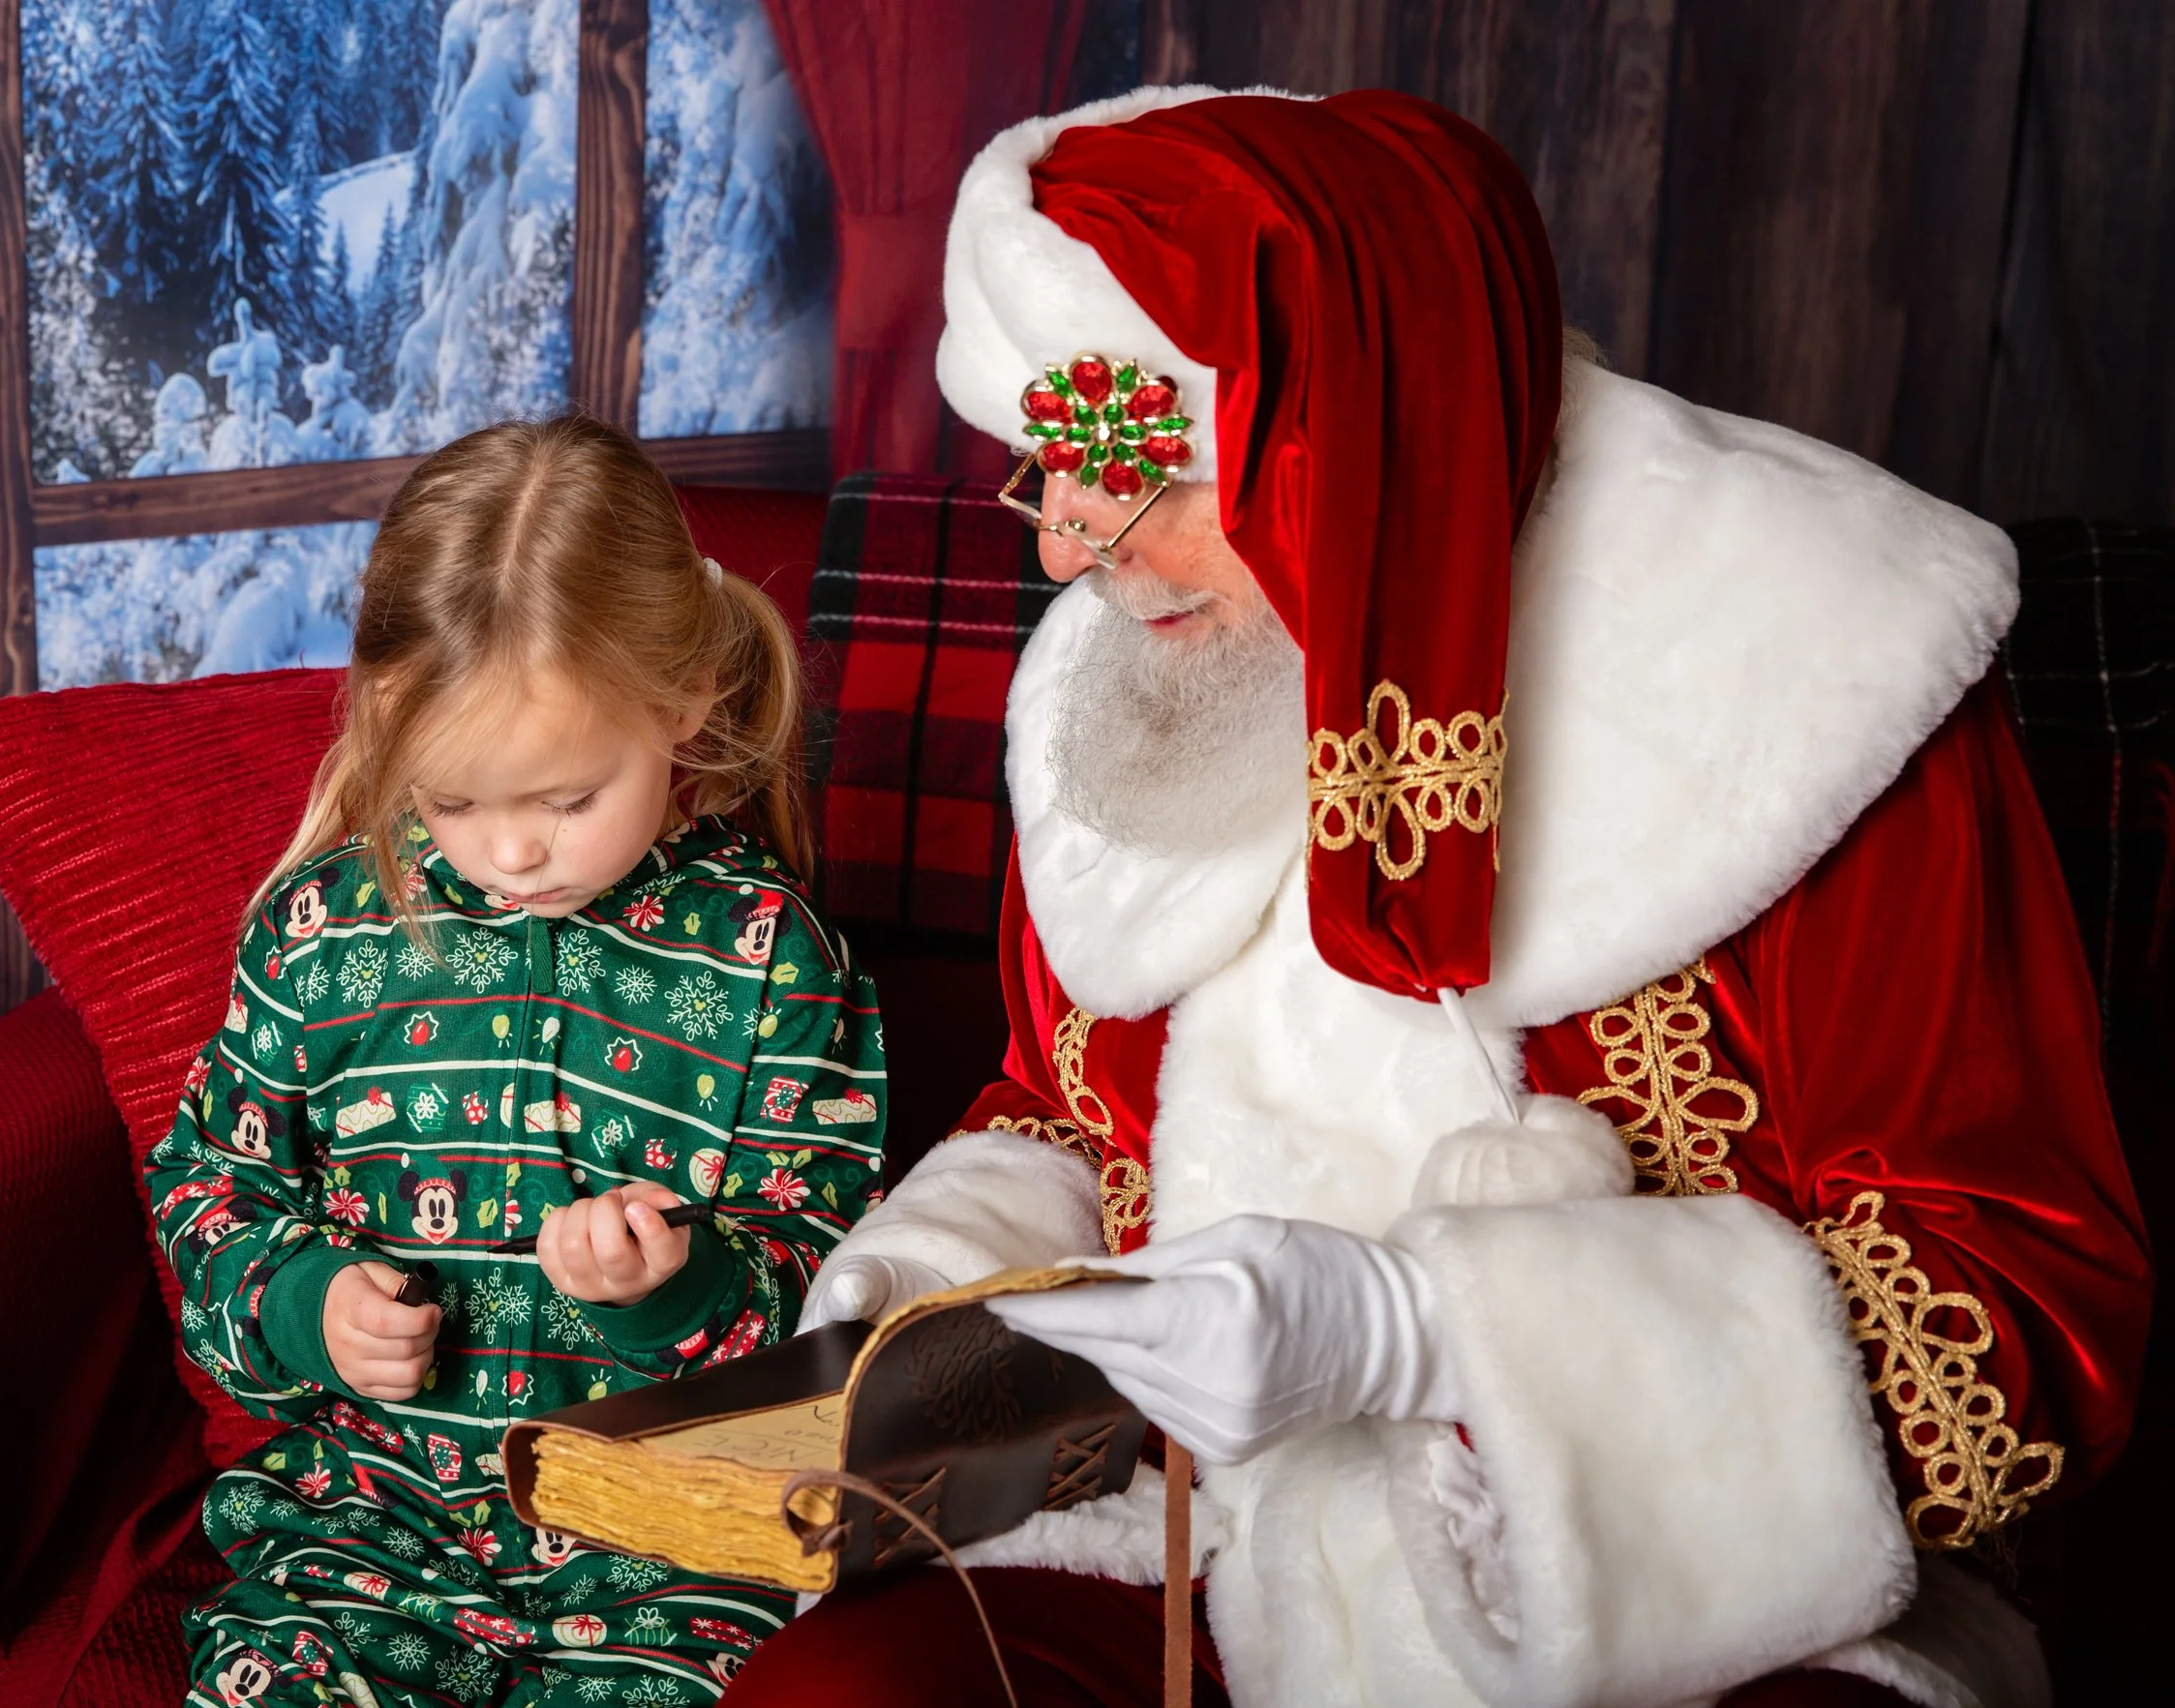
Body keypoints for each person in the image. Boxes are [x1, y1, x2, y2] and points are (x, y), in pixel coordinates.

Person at [722, 87, 2149, 1708]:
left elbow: (2027, 1308)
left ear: (1349, 444)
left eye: (1136, 473)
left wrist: (1432, 1339)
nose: (1072, 553)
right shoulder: (1128, 689)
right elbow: (1066, 1113)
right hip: (1195, 1539)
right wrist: (921, 1300)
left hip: (1666, 1589)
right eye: (1048, 467)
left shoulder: (1820, 672)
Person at [146, 416, 889, 1706]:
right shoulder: (325, 936)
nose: (511, 855)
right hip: (367, 1530)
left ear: (682, 707)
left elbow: (838, 1275)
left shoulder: (773, 958)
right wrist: (300, 1302)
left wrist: (680, 1283)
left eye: (563, 799)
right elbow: (210, 1183)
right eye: (452, 800)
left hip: (670, 1547)